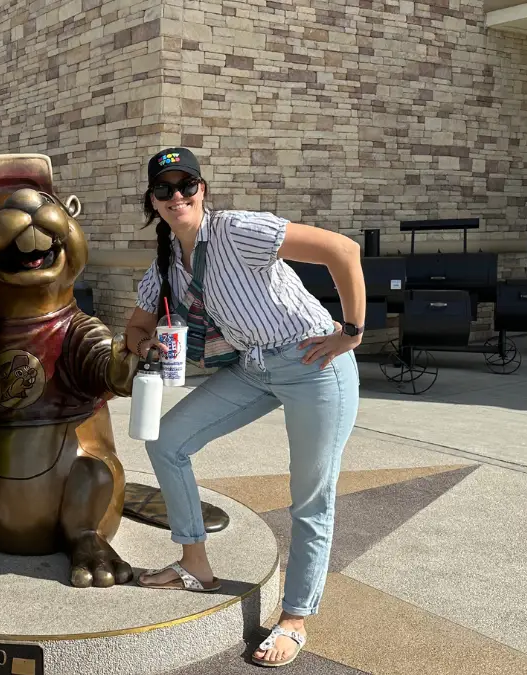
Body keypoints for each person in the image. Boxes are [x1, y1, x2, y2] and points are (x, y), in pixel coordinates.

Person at [127, 148, 363, 668]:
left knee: (310, 496)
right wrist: (146, 345)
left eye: (186, 184)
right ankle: (195, 563)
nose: (177, 196)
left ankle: (295, 618)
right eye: (163, 190)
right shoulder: (167, 263)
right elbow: (136, 326)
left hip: (313, 362)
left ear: (202, 189)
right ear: (153, 202)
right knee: (165, 442)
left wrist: (351, 332)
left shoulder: (236, 230)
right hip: (254, 370)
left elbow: (342, 250)